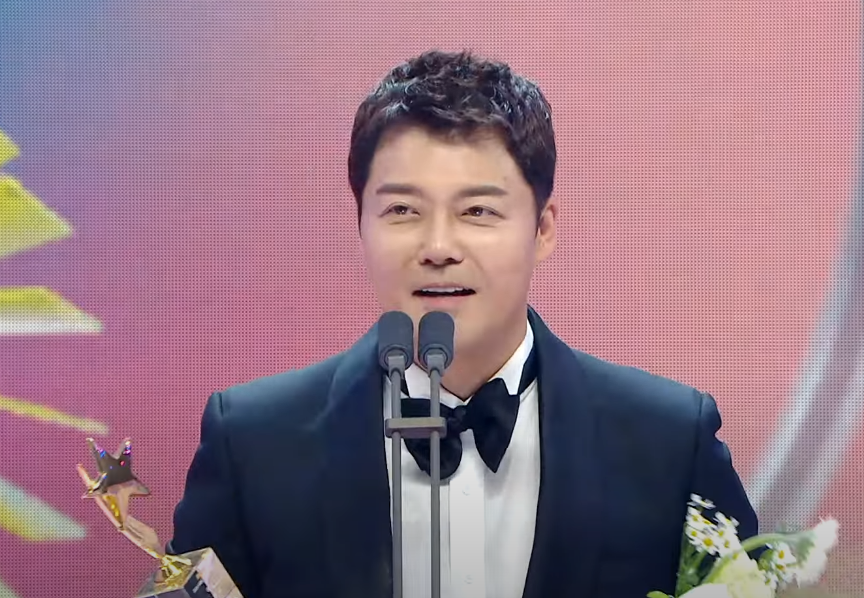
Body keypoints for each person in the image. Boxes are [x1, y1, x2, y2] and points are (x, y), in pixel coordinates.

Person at [168, 50, 758, 598]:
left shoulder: (669, 442)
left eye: (477, 211)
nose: (439, 247)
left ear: (543, 229)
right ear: (361, 224)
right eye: (403, 210)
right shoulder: (252, 443)